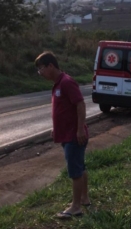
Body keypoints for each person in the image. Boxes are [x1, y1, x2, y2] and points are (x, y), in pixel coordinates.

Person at [35, 51, 90, 219]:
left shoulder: (66, 82)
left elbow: (80, 105)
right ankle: (84, 198)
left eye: (41, 69)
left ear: (51, 66)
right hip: (66, 133)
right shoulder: (58, 84)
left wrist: (80, 129)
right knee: (80, 167)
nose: (40, 73)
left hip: (73, 135)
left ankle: (76, 207)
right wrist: (56, 128)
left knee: (75, 171)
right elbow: (63, 110)